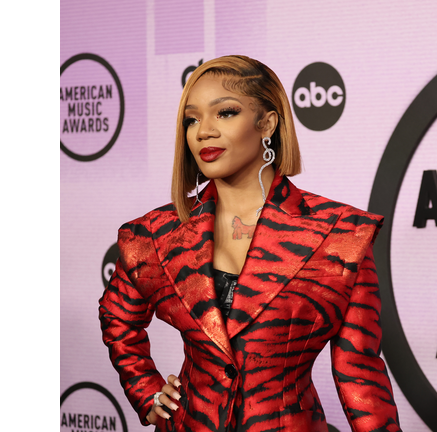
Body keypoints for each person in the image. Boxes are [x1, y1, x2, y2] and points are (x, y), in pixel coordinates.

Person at [98, 55, 401, 432]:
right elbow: (117, 316)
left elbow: (360, 375)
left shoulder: (340, 236)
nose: (203, 131)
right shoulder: (155, 234)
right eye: (192, 119)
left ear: (268, 123)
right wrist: (147, 391)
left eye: (224, 113)